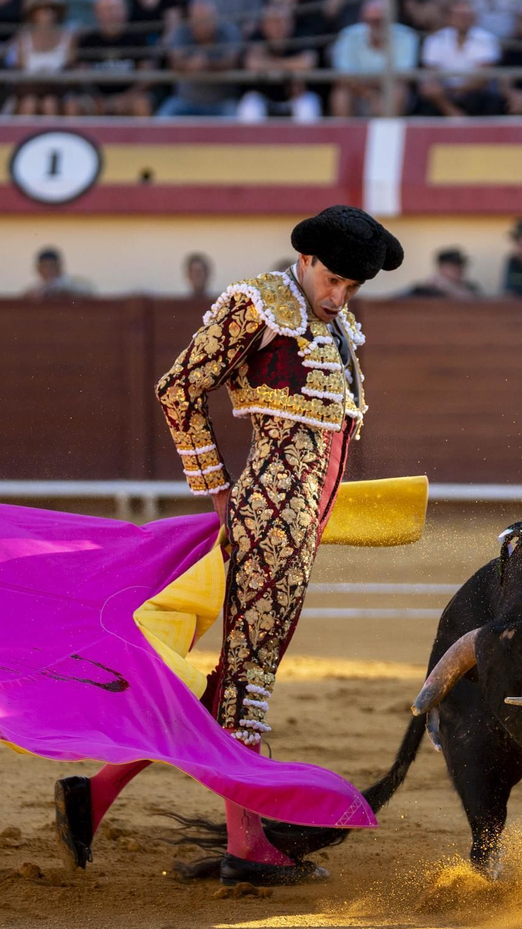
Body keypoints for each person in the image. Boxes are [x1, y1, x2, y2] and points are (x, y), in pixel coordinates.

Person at [57, 205, 405, 887]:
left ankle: (93, 797)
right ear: (304, 261)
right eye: (331, 280)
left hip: (297, 526)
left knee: (232, 684)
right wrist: (219, 492)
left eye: (350, 288)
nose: (338, 297)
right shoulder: (260, 306)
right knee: (247, 686)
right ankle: (246, 845)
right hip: (268, 521)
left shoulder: (336, 330)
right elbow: (178, 389)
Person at [329, 0, 418, 116]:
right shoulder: (349, 35)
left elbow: (403, 77)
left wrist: (370, 87)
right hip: (359, 92)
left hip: (389, 91)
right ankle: (342, 134)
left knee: (398, 91)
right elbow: (343, 77)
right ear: (362, 20)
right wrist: (370, 95)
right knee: (341, 94)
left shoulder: (406, 36)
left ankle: (388, 133)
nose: (375, 25)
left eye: (380, 21)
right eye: (370, 21)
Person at [417, 0, 504, 116]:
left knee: (489, 98)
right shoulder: (435, 40)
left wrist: (451, 89)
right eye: (459, 15)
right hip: (443, 95)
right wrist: (446, 99)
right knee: (426, 96)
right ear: (449, 18)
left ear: (474, 18)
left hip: (473, 93)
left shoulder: (487, 39)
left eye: (466, 16)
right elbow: (431, 74)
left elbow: (481, 79)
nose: (462, 19)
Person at [76, 0, 158, 116]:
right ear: (97, 13)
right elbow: (82, 76)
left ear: (125, 11)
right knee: (74, 106)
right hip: (95, 99)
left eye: (117, 8)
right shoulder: (88, 40)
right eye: (108, 9)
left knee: (142, 104)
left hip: (130, 97)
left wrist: (126, 98)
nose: (113, 14)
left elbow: (147, 76)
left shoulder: (137, 38)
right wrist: (98, 99)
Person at [238, 0, 322, 121]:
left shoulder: (301, 34)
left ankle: (305, 141)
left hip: (294, 98)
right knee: (249, 106)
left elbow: (307, 63)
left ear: (291, 22)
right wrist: (291, 66)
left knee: (309, 104)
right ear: (264, 24)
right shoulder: (257, 37)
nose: (278, 26)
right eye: (273, 21)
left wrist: (269, 63)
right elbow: (252, 63)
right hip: (264, 98)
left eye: (283, 21)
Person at [159, 0, 241, 117]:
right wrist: (189, 64)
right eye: (197, 21)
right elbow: (174, 62)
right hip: (185, 101)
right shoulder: (182, 31)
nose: (201, 25)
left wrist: (208, 64)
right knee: (162, 119)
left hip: (222, 102)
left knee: (236, 122)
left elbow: (232, 62)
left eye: (206, 21)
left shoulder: (228, 31)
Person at [7, 0, 76, 116]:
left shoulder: (68, 37)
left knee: (50, 103)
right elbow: (18, 69)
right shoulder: (23, 39)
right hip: (29, 91)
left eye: (52, 8)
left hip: (58, 90)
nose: (48, 13)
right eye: (44, 9)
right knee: (30, 103)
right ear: (34, 13)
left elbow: (70, 68)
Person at [405, 247, 481, 298]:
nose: (459, 269)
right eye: (453, 265)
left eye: (461, 265)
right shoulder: (427, 289)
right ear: (441, 267)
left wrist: (450, 289)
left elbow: (479, 303)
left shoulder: (471, 287)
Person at [25, 246, 94, 299]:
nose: (48, 270)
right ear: (38, 268)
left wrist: (67, 293)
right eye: (45, 266)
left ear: (59, 267)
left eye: (52, 266)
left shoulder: (75, 283)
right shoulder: (35, 288)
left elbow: (88, 293)